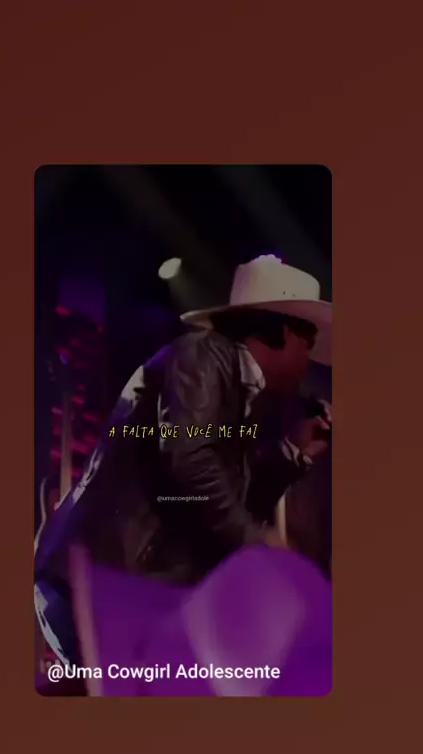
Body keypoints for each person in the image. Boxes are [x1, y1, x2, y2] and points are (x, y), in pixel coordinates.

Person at [35, 255, 332, 666]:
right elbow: (190, 462)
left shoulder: (238, 390)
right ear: (282, 331)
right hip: (94, 584)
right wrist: (259, 542)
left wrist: (292, 454)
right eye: (308, 343)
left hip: (116, 588)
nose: (308, 360)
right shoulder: (203, 355)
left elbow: (227, 500)